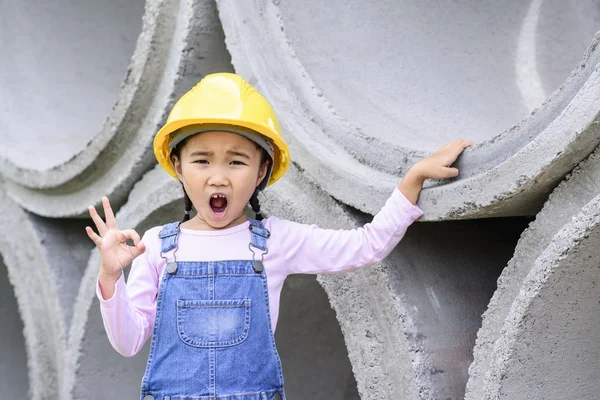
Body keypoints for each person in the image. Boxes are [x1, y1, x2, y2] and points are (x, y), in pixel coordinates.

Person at [86, 72, 475, 400]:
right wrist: (109, 277)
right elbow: (128, 341)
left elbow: (366, 245)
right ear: (178, 166)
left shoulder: (275, 241)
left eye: (236, 161)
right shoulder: (156, 245)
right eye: (201, 160)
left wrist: (411, 182)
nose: (218, 176)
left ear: (260, 173)